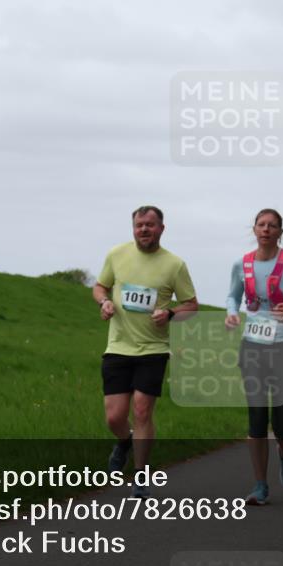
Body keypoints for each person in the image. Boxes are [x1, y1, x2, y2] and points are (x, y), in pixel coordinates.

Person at [94, 206, 198, 498]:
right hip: (118, 346)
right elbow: (100, 287)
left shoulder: (174, 265)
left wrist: (170, 312)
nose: (144, 230)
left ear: (161, 229)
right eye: (140, 225)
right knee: (114, 417)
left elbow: (191, 305)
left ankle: (141, 475)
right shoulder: (117, 255)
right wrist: (103, 303)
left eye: (150, 225)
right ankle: (124, 442)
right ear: (133, 228)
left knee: (142, 409)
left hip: (154, 348)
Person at [225, 209, 283, 506]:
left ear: (280, 232)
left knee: (280, 422)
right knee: (256, 419)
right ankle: (260, 485)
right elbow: (232, 296)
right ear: (253, 229)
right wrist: (230, 313)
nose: (266, 229)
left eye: (272, 226)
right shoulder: (242, 264)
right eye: (261, 224)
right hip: (253, 344)